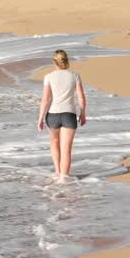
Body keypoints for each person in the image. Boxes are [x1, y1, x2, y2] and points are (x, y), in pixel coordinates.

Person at [36, 49, 87, 177]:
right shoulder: (75, 76)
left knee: (54, 142)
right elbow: (81, 97)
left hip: (52, 115)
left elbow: (45, 100)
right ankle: (64, 178)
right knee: (66, 149)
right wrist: (83, 113)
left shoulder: (49, 77)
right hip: (69, 115)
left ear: (54, 62)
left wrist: (40, 118)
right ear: (66, 60)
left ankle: (58, 172)